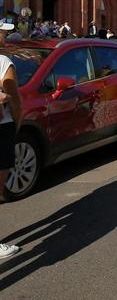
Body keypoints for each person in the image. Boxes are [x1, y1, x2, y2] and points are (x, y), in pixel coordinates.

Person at [0, 21, 23, 259]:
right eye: (2, 32)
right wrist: (16, 124)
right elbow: (15, 100)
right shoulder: (3, 62)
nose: (5, 35)